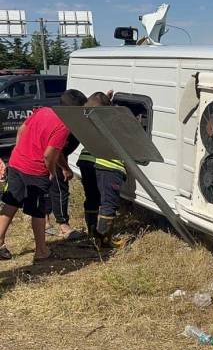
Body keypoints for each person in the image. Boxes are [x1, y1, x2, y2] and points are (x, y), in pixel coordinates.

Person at [0, 89, 87, 261]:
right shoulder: (63, 126)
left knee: (11, 203)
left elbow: (21, 130)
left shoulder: (43, 111)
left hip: (16, 163)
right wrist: (52, 171)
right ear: (73, 110)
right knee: (38, 212)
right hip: (35, 171)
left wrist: (21, 151)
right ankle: (41, 251)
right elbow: (49, 155)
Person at [77, 91, 124, 248]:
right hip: (108, 165)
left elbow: (95, 102)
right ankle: (103, 241)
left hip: (86, 161)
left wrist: (105, 97)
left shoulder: (87, 116)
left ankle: (92, 236)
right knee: (108, 204)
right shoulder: (113, 120)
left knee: (92, 199)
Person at [45, 133, 82, 239]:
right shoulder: (64, 125)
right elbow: (56, 149)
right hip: (54, 156)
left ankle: (45, 222)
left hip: (50, 155)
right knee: (60, 189)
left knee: (47, 187)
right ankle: (64, 226)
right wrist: (65, 168)